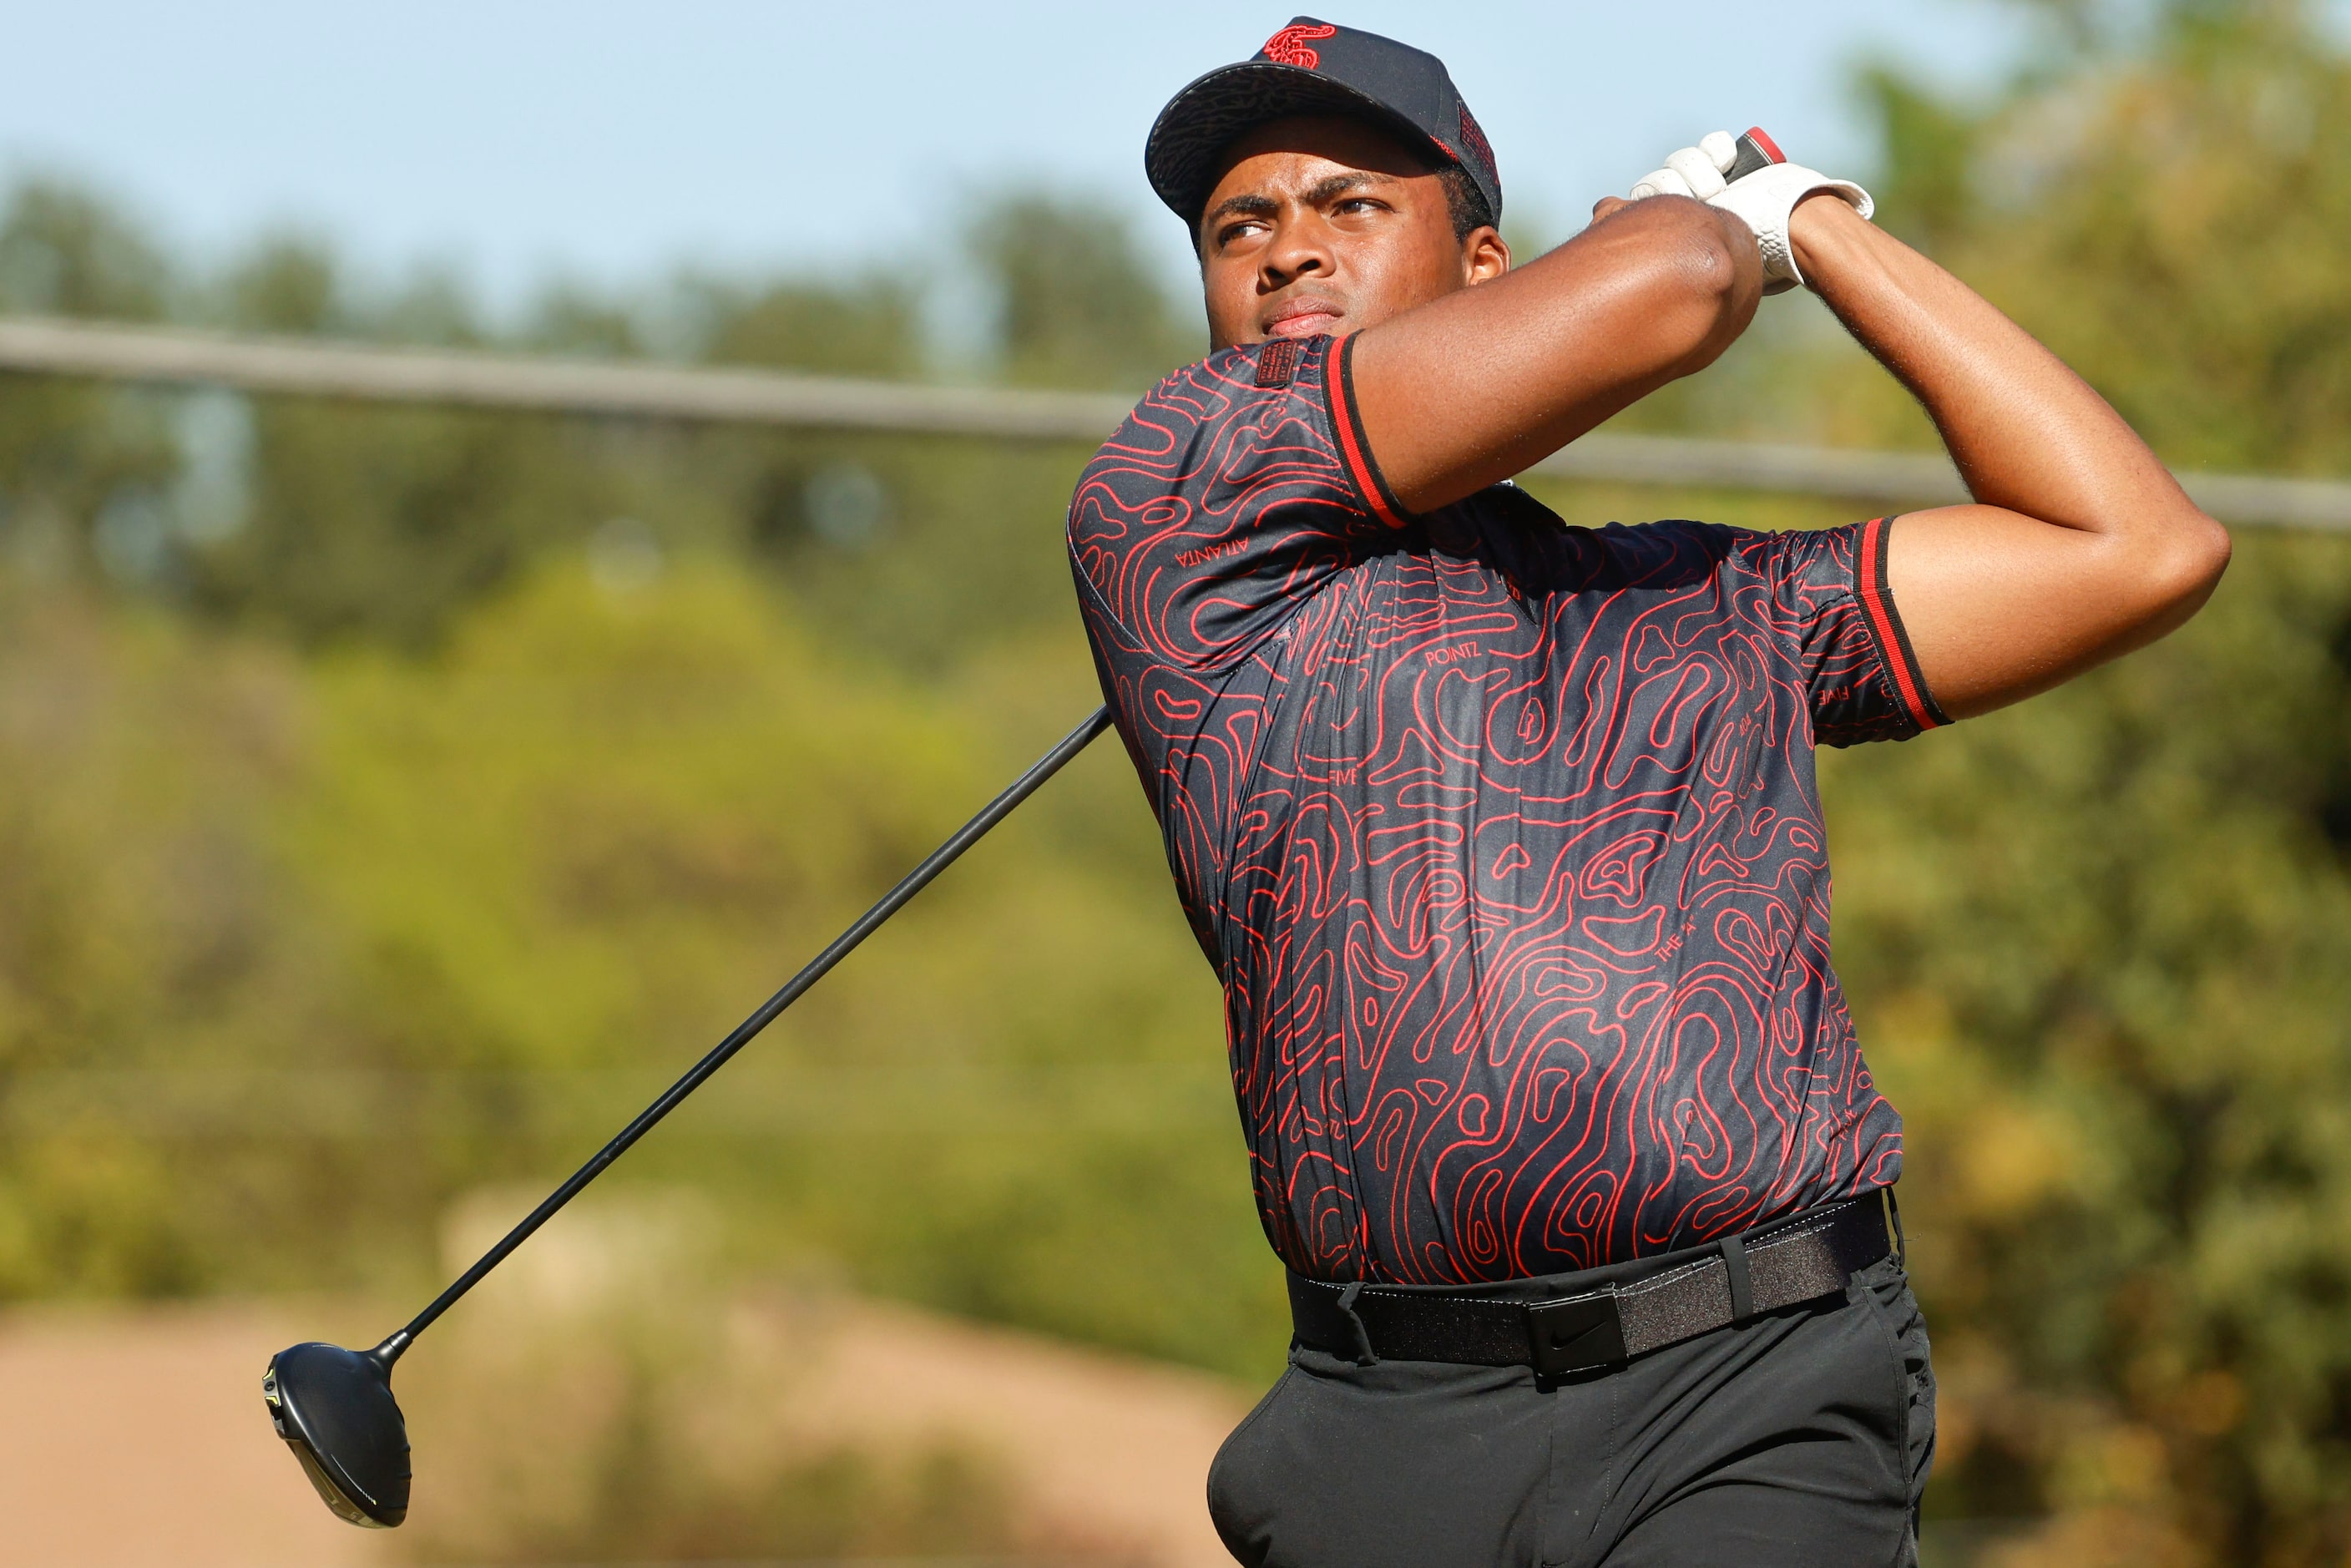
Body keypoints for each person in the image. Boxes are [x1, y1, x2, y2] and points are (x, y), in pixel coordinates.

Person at [1065, 18, 2229, 1568]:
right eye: (1241, 226)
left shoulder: (1713, 598)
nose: (1286, 251)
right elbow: (1673, 288)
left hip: (1752, 1379)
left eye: (1351, 204)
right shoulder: (1170, 503)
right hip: (1385, 1421)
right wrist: (1701, 231)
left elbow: (2138, 546)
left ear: (1487, 269)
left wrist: (1810, 223)